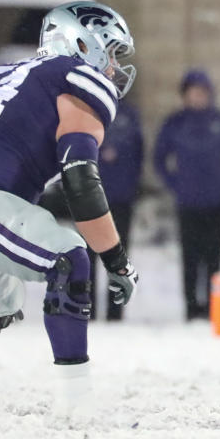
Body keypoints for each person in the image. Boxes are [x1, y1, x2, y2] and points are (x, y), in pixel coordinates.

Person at [0, 2, 138, 399]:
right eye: (111, 52)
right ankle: (76, 403)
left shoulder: (4, 73)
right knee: (67, 258)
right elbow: (80, 182)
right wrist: (116, 260)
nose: (115, 68)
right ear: (83, 43)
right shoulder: (76, 79)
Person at [154, 68, 220, 321]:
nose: (198, 97)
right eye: (193, 92)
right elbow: (160, 159)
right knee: (191, 258)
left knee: (214, 258)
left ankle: (215, 309)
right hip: (188, 203)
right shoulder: (175, 124)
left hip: (217, 202)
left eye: (202, 92)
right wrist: (176, 184)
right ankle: (192, 308)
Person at [87, 98, 143, 321]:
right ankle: (87, 310)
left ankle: (115, 311)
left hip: (121, 197)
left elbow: (139, 154)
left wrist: (131, 185)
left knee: (118, 256)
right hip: (89, 196)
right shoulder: (87, 110)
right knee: (87, 256)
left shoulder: (129, 115)